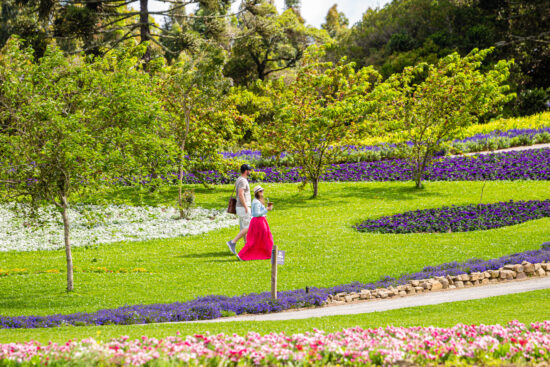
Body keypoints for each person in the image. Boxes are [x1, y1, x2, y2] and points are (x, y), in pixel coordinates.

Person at [237, 185, 274, 261]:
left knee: (262, 238)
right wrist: (267, 209)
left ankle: (269, 253)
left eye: (262, 191)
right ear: (257, 193)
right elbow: (257, 214)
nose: (262, 192)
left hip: (260, 220)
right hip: (258, 221)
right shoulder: (256, 202)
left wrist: (265, 209)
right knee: (258, 239)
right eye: (260, 191)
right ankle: (242, 255)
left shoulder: (257, 201)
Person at [226, 164, 252, 254]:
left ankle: (247, 247)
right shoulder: (243, 181)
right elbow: (241, 194)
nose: (250, 172)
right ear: (246, 171)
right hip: (243, 206)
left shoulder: (239, 179)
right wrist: (245, 206)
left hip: (240, 206)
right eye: (250, 170)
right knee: (248, 227)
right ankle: (232, 242)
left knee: (244, 228)